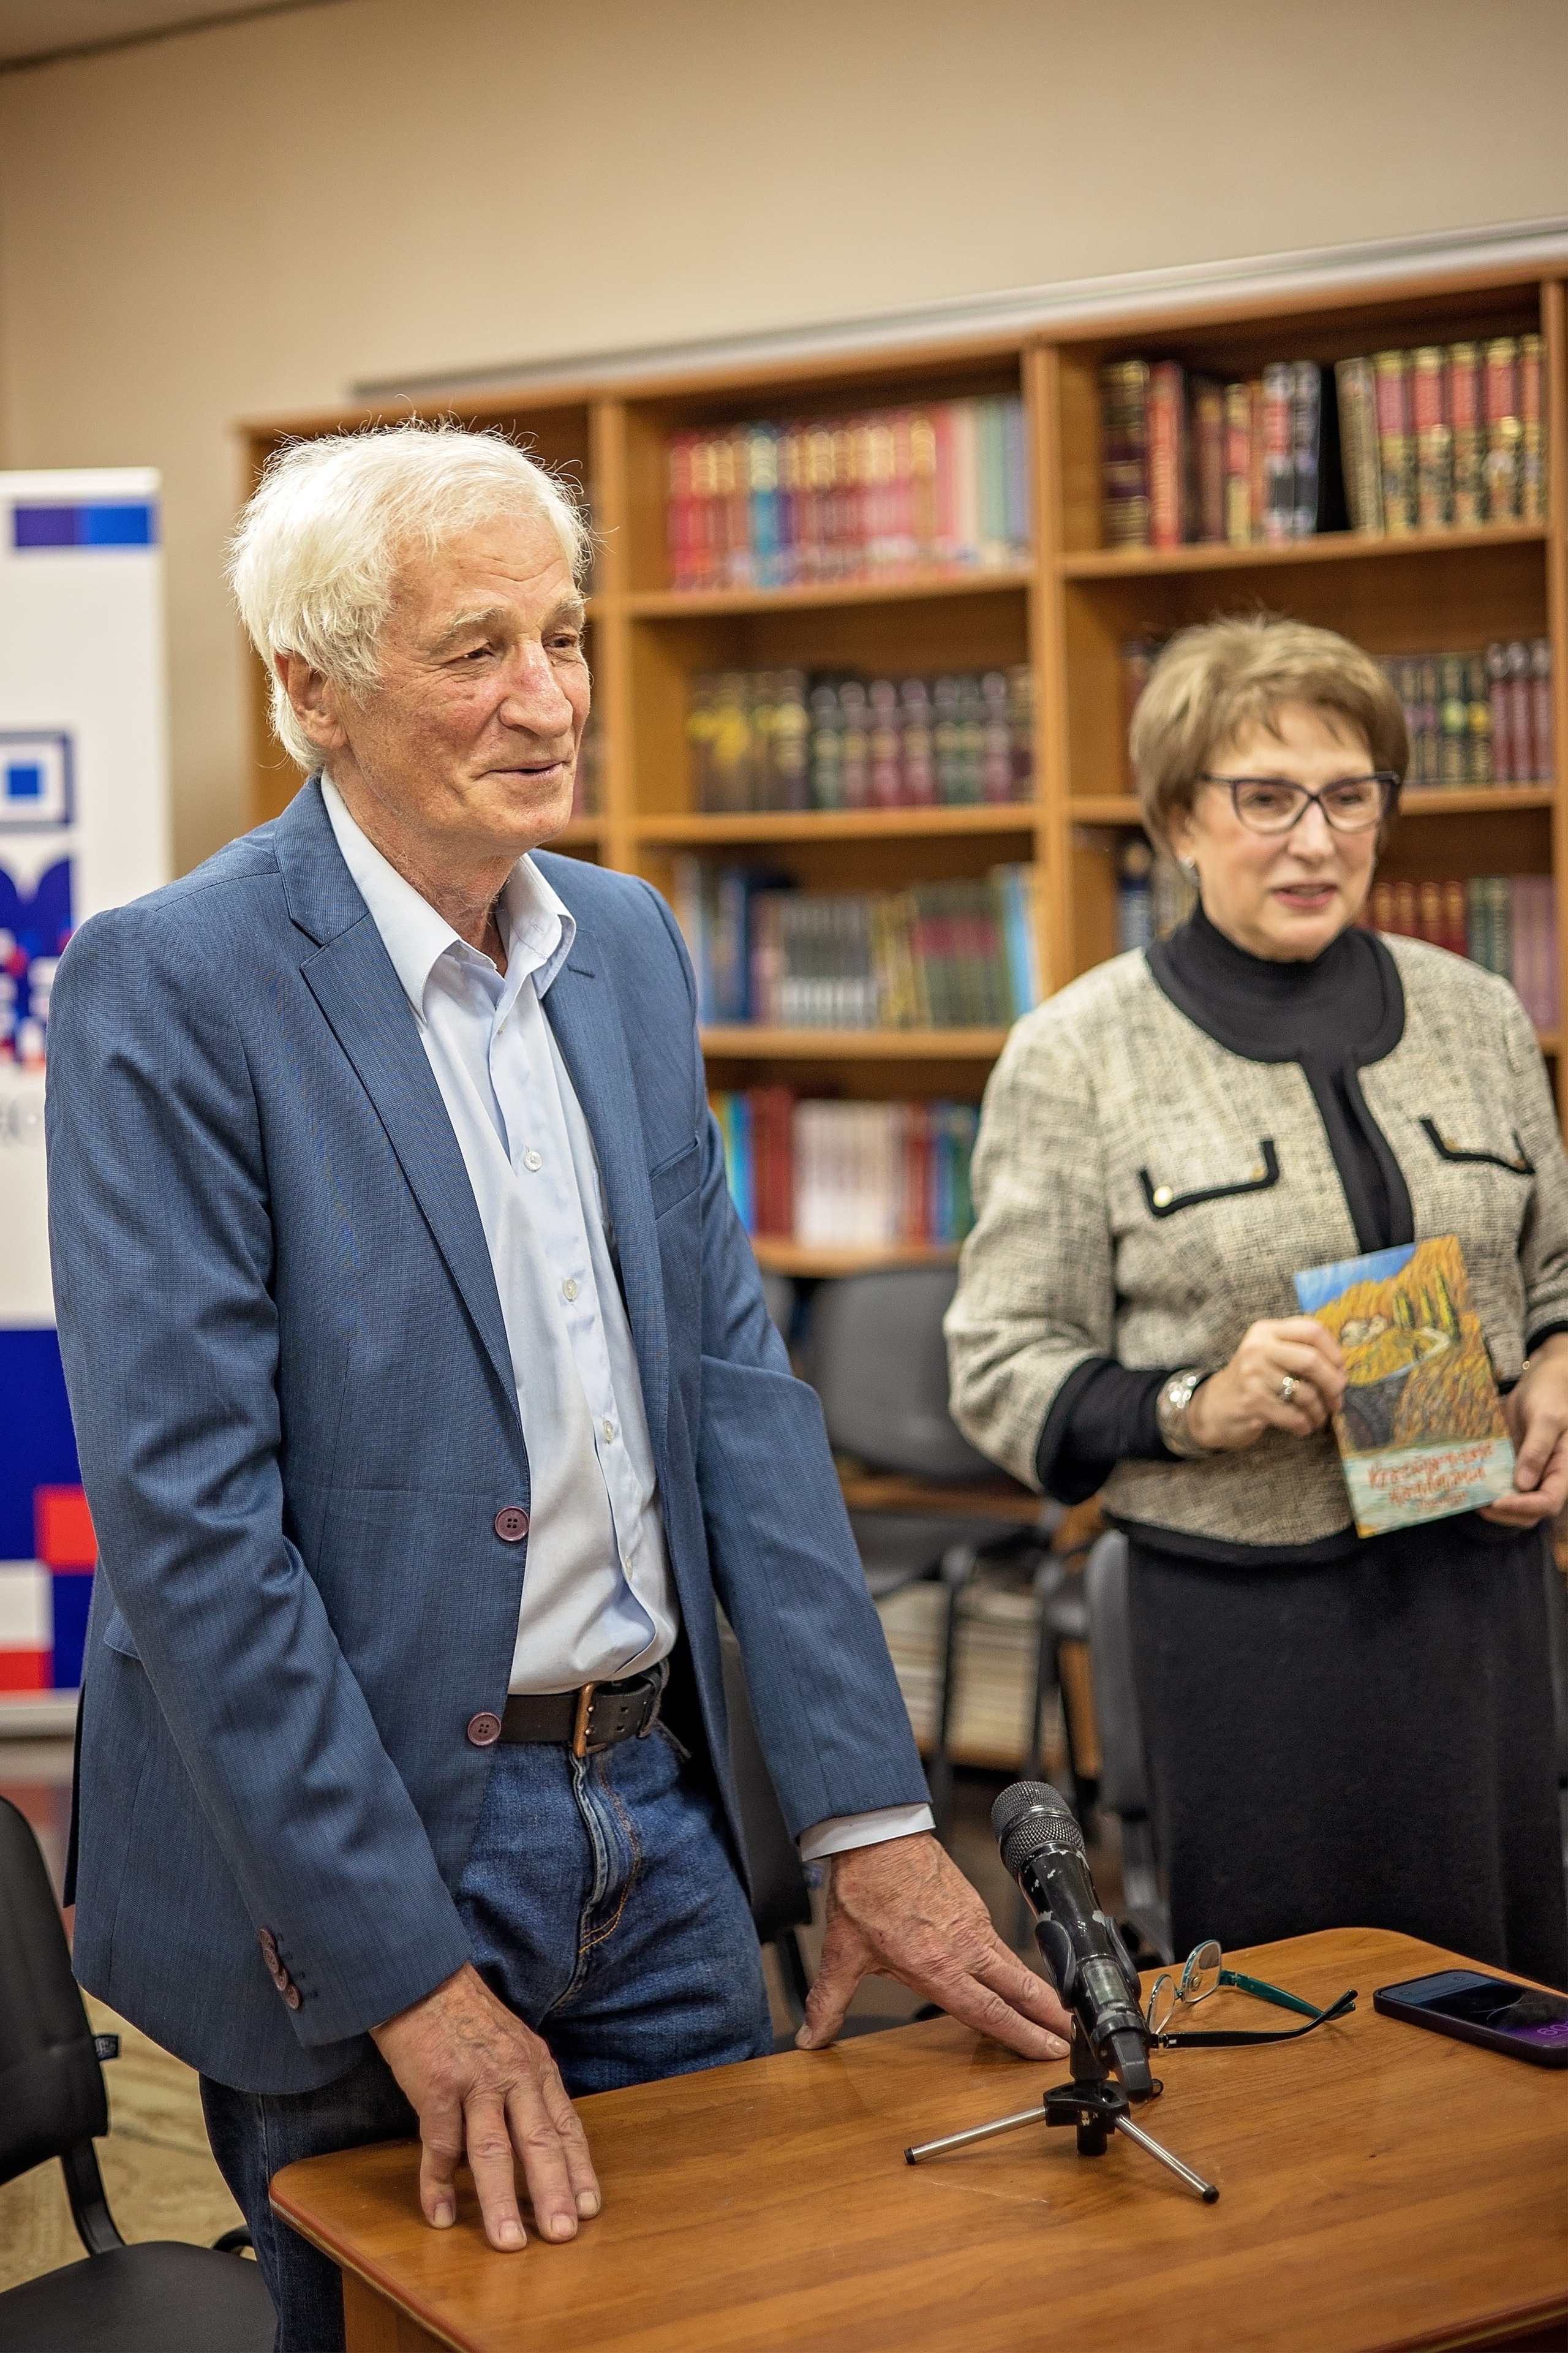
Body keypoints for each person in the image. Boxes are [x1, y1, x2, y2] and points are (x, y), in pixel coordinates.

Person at [45, 423, 1071, 2352]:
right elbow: (192, 1536)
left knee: (737, 2316)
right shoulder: (172, 983)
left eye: (567, 635)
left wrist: (869, 1816)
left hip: (659, 1818)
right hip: (363, 1847)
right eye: (477, 650)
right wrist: (401, 1972)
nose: (550, 699)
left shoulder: (629, 947)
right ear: (313, 692)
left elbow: (736, 1393)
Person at [945, 614, 1568, 1989]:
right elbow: (999, 1367)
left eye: (1350, 796)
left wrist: (1558, 1361)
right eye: (1267, 798)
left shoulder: (1475, 1013)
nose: (1315, 839)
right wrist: (1192, 1402)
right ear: (1180, 819)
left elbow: (1555, 1264)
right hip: (1249, 1634)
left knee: (1506, 1997)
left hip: (1479, 1601)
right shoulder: (1078, 1053)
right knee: (1299, 2020)